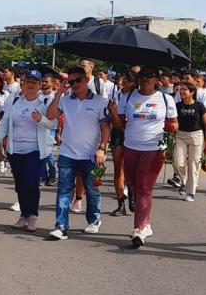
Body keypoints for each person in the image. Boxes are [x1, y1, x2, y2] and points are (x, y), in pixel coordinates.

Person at [109, 67, 176, 248]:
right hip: (131, 147)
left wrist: (171, 128)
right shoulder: (128, 98)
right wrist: (113, 112)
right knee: (134, 187)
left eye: (149, 77)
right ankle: (146, 223)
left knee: (145, 188)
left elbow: (174, 123)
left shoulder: (165, 99)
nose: (145, 80)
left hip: (154, 149)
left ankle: (138, 229)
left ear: (157, 80)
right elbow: (118, 125)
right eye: (142, 77)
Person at [44, 66, 110, 239]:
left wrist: (102, 148)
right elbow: (50, 115)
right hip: (67, 153)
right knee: (64, 190)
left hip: (90, 154)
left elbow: (105, 127)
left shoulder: (99, 101)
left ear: (86, 79)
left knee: (92, 189)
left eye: (77, 80)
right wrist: (59, 93)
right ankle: (61, 226)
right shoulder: (65, 101)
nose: (74, 84)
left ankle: (94, 220)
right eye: (70, 82)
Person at [0, 69, 57, 232]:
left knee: (31, 183)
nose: (30, 84)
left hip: (35, 149)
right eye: (28, 81)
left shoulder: (44, 103)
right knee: (20, 184)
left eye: (34, 82)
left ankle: (33, 216)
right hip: (15, 149)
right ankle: (23, 216)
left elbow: (53, 124)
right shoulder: (16, 100)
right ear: (24, 83)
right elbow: (4, 121)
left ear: (39, 85)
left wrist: (41, 119)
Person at [170, 81, 206, 202]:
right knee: (177, 162)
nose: (181, 92)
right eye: (180, 90)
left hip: (196, 136)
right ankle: (184, 182)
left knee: (194, 164)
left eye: (184, 90)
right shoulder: (177, 106)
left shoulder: (200, 106)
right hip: (181, 135)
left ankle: (191, 192)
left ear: (192, 92)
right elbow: (173, 121)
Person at [107, 73, 136, 216]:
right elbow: (115, 121)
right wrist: (112, 110)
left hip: (133, 132)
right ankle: (120, 203)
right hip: (118, 133)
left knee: (131, 169)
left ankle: (132, 196)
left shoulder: (138, 96)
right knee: (119, 169)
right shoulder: (116, 94)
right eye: (123, 79)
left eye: (128, 80)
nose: (124, 82)